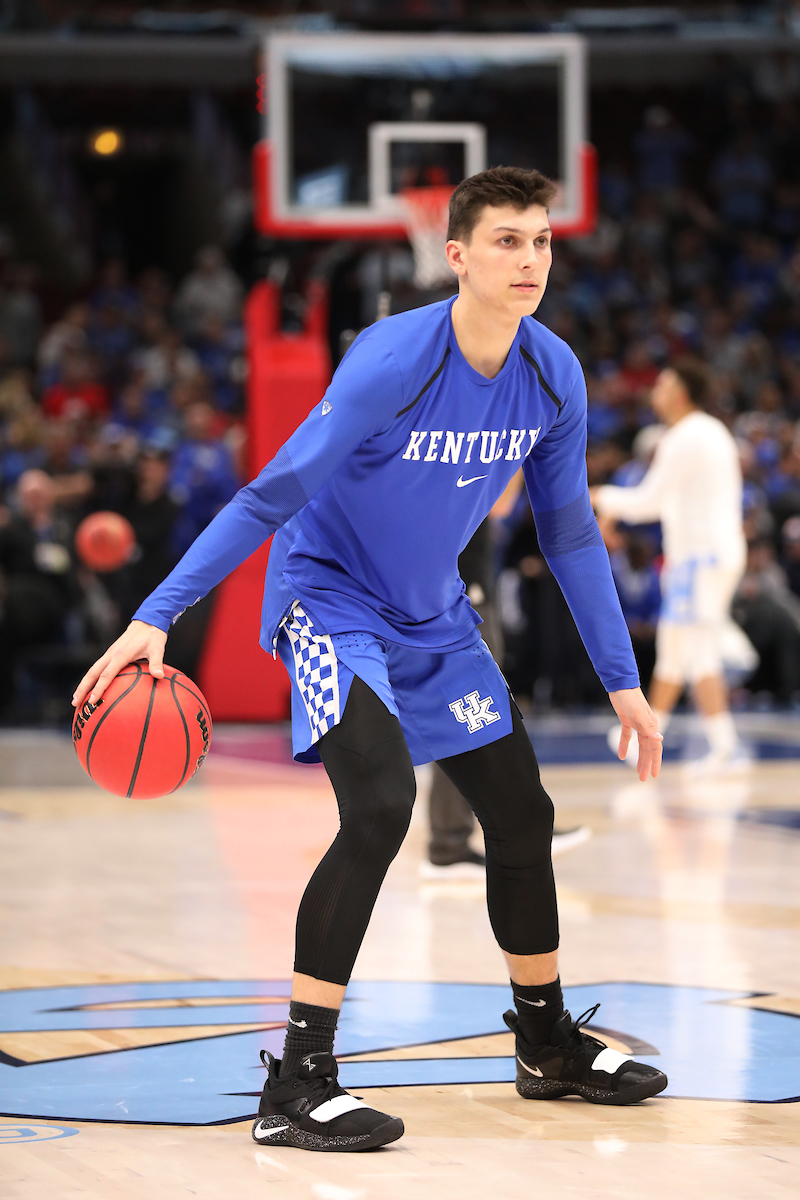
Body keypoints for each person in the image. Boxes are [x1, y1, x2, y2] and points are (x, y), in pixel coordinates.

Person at [73, 167, 666, 1153]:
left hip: (435, 615)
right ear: (457, 255)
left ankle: (545, 1042)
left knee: (521, 814)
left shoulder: (551, 373)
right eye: (506, 242)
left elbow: (566, 536)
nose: (528, 260)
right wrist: (158, 615)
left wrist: (622, 682)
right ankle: (299, 1077)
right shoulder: (393, 359)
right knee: (381, 806)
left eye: (540, 241)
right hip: (328, 601)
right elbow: (272, 494)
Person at [592, 358, 749, 773]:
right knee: (677, 651)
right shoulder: (705, 433)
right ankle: (646, 734)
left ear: (680, 392)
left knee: (698, 651)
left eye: (661, 385)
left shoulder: (689, 435)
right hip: (699, 557)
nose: (654, 392)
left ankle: (724, 747)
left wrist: (601, 497)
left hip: (703, 558)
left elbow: (649, 501)